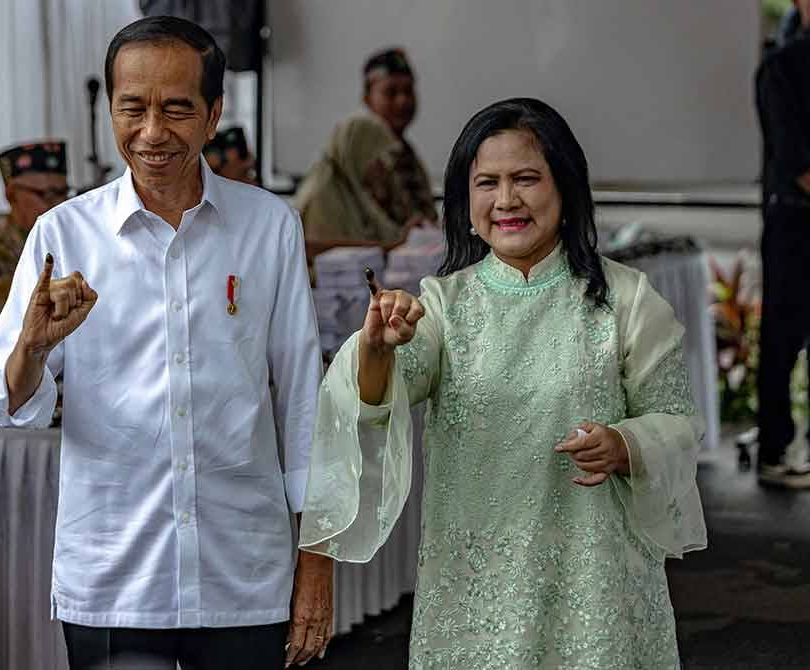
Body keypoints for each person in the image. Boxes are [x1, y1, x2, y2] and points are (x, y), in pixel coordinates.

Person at [0, 16, 332, 670]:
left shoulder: (268, 228)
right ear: (111, 109)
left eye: (176, 109)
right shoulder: (65, 234)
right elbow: (1, 398)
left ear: (214, 113)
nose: (151, 132)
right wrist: (33, 345)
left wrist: (316, 568)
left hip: (240, 572)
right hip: (115, 576)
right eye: (132, 108)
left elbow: (305, 403)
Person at [299, 98, 707, 669]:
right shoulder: (444, 304)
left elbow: (678, 422)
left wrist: (626, 444)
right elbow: (375, 400)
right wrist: (374, 347)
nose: (506, 200)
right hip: (473, 595)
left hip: (596, 587)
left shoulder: (627, 300)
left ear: (565, 190)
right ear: (466, 203)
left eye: (526, 179)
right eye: (486, 182)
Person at [755, 0, 810, 488]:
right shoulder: (781, 68)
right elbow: (795, 158)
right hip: (794, 223)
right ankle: (773, 449)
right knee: (783, 339)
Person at [0, 140, 70, 321]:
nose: (59, 204)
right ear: (12, 195)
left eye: (63, 193)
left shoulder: (68, 241)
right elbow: (13, 327)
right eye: (47, 194)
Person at [294, 114, 412, 248]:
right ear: (358, 154)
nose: (385, 168)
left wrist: (409, 233)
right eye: (377, 160)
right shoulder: (321, 196)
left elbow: (385, 236)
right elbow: (329, 259)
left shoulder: (353, 190)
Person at [361, 48, 437, 227]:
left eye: (408, 91)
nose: (403, 101)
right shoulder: (359, 156)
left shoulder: (407, 154)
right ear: (367, 99)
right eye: (390, 92)